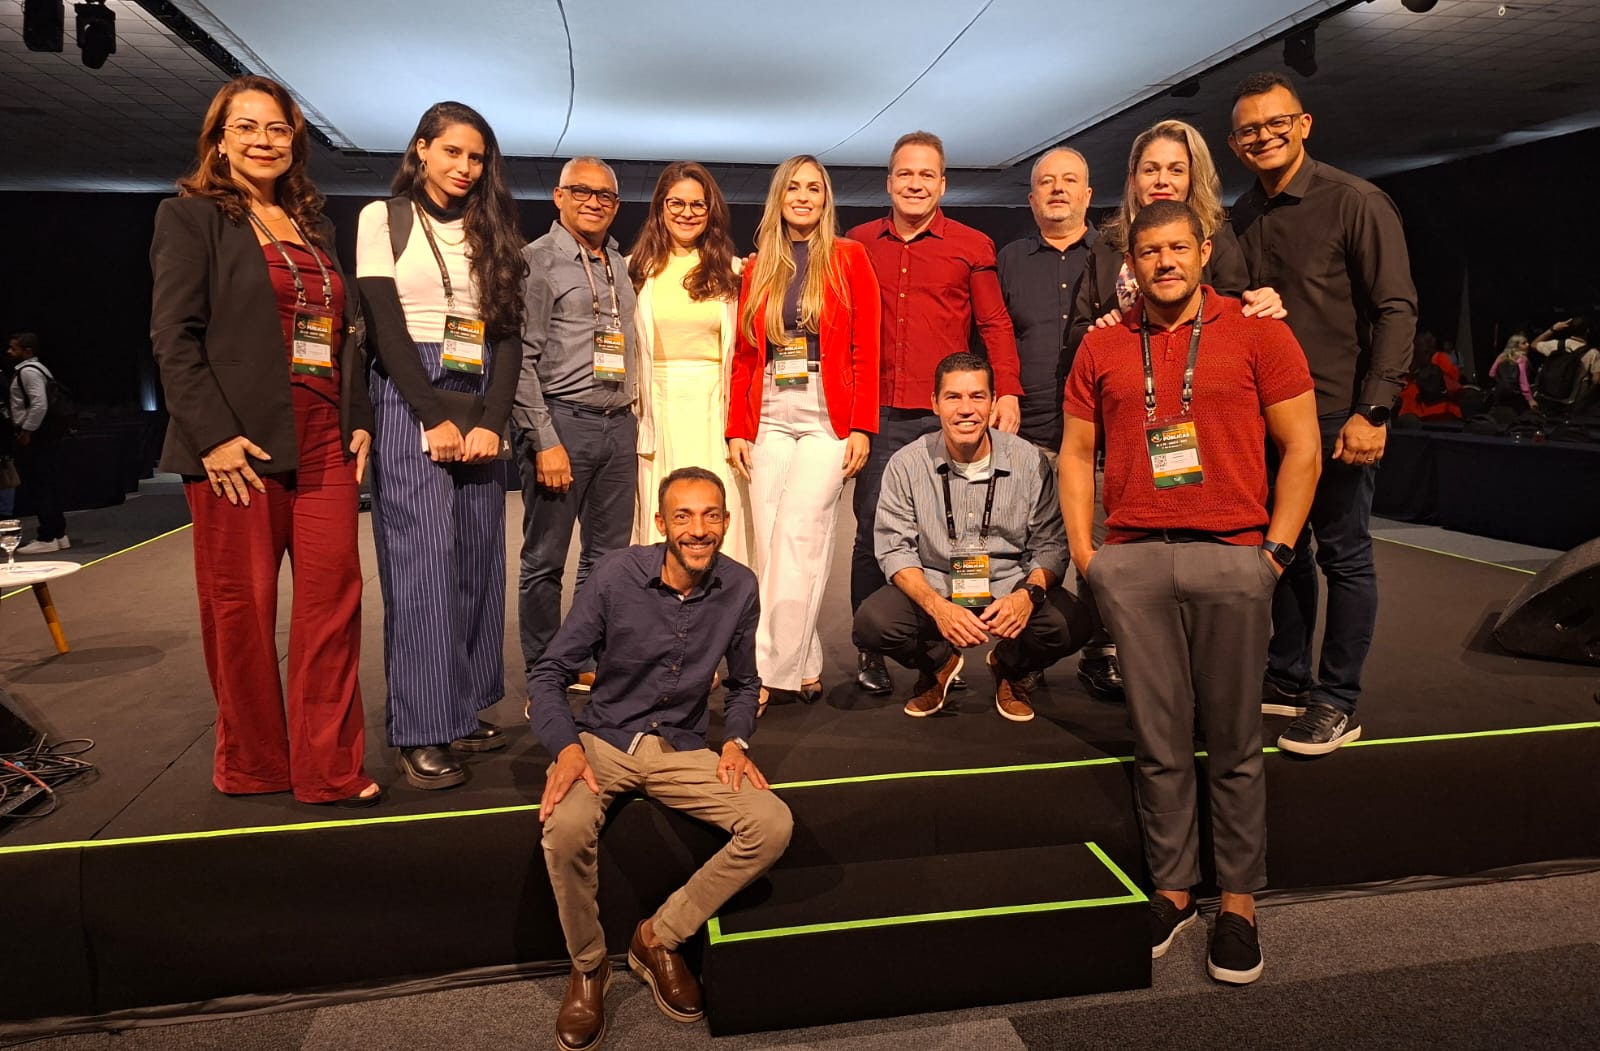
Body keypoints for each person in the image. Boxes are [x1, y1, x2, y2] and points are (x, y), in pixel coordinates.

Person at [1060, 199, 1321, 985]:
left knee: (1235, 739)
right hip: (1135, 562)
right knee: (1159, 739)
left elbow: (1303, 448)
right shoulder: (1103, 345)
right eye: (1150, 251)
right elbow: (1075, 453)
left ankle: (1237, 900)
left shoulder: (1258, 332)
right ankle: (1173, 888)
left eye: (1178, 247)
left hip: (1233, 558)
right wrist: (1089, 556)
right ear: (1131, 263)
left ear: (1204, 250)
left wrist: (1274, 555)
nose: (1165, 261)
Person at [149, 75, 378, 807]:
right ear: (219, 141)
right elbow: (173, 338)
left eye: (277, 128)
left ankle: (327, 768)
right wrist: (213, 437)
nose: (262, 140)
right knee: (240, 612)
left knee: (333, 606)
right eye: (245, 127)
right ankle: (252, 763)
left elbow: (343, 334)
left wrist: (358, 415)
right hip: (238, 448)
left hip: (324, 440)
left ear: (295, 141)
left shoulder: (313, 226)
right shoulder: (190, 218)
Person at [528, 466, 791, 1051]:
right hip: (605, 739)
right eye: (684, 516)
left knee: (772, 823)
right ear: (661, 523)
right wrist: (566, 748)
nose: (699, 529)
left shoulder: (740, 585)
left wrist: (737, 740)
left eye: (711, 515)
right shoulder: (616, 575)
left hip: (682, 745)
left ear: (726, 521)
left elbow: (745, 683)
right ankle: (589, 965)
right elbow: (549, 672)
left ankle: (658, 937)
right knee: (565, 828)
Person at [1228, 72, 1417, 755]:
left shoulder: (1355, 201)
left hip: (1337, 414)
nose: (1264, 137)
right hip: (1265, 419)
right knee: (1282, 551)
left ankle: (1337, 700)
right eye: (1250, 130)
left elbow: (1396, 308)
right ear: (1235, 144)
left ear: (1303, 124)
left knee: (1345, 556)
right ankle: (1287, 677)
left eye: (1276, 123)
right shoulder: (1240, 214)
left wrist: (1375, 410)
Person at [356, 101, 527, 790]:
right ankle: (421, 727)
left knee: (477, 564)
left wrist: (493, 419)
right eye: (452, 151)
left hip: (479, 390)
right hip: (411, 395)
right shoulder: (384, 217)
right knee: (422, 568)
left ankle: (459, 707)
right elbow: (384, 325)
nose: (465, 167)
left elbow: (508, 335)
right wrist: (430, 415)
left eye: (476, 157)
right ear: (422, 149)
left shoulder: (493, 228)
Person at [847, 131, 1025, 696]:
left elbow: (994, 323)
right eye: (905, 173)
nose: (915, 184)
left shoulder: (972, 245)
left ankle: (957, 641)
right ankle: (872, 649)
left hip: (950, 416)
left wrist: (1007, 391)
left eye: (927, 175)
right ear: (889, 182)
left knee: (958, 530)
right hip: (879, 414)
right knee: (873, 530)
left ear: (943, 184)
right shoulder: (857, 244)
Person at [855, 351, 1090, 722]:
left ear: (993, 402)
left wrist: (1027, 596)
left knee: (1072, 623)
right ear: (935, 403)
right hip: (937, 583)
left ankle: (1010, 668)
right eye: (953, 397)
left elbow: (1051, 545)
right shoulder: (906, 464)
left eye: (977, 396)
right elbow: (895, 550)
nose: (966, 409)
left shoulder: (1029, 460)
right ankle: (938, 664)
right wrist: (937, 607)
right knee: (874, 623)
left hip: (1008, 584)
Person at [726, 155, 880, 709]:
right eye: (793, 187)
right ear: (779, 197)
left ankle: (763, 672)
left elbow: (867, 346)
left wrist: (862, 425)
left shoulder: (849, 257)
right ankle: (804, 663)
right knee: (771, 544)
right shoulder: (759, 265)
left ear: (825, 199)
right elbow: (745, 355)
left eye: (814, 188)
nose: (803, 196)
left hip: (826, 411)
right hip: (768, 408)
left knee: (800, 536)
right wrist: (737, 428)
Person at [995, 148, 1123, 701]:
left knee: (1101, 554)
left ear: (1088, 195)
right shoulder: (1010, 259)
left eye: (1070, 180)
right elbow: (992, 335)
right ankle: (1028, 656)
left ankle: (1102, 653)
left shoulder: (1117, 257)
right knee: (1031, 553)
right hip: (1029, 436)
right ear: (1031, 199)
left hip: (1101, 436)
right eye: (1046, 182)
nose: (1058, 189)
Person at [514, 157, 638, 685]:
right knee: (545, 559)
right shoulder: (536, 261)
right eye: (582, 191)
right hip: (562, 423)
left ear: (616, 205)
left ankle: (586, 658)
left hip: (619, 424)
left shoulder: (620, 264)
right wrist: (544, 439)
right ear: (559, 196)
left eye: (604, 195)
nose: (593, 202)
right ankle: (545, 669)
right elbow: (521, 359)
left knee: (607, 560)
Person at [627, 162, 753, 564]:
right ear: (660, 208)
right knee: (663, 510)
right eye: (676, 203)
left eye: (698, 204)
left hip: (713, 408)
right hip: (658, 408)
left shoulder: (733, 271)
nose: (687, 213)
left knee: (717, 507)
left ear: (711, 210)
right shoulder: (634, 270)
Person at [1076, 119, 1285, 336]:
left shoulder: (1218, 237)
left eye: (1176, 170)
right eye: (1150, 170)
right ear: (1133, 180)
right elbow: (1078, 328)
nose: (1162, 180)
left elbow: (1234, 313)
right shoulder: (1106, 244)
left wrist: (1263, 301)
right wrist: (1100, 329)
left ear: (1192, 179)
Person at [6, 333, 68, 553]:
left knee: (40, 485)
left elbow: (39, 404)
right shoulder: (39, 369)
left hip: (38, 435)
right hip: (44, 434)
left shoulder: (28, 371)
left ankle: (48, 536)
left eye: (14, 348)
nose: (9, 352)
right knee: (47, 484)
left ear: (28, 351)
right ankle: (58, 534)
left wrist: (27, 430)